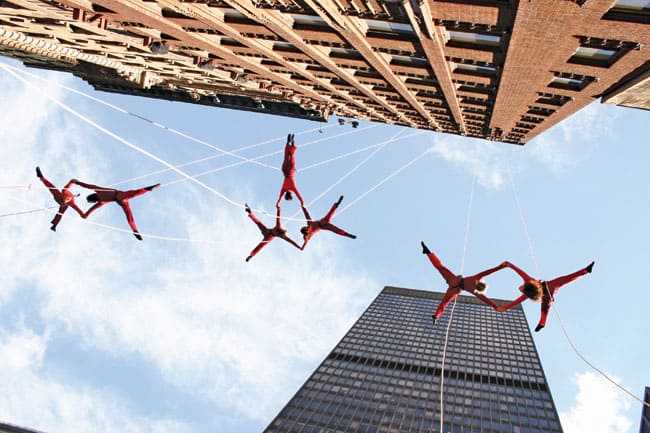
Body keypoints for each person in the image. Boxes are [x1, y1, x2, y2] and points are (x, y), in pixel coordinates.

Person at [422, 241, 508, 324]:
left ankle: (428, 252)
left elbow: (488, 272)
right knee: (444, 302)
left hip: (454, 280)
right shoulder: (476, 292)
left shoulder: (477, 278)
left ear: (480, 283)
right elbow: (486, 300)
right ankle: (436, 316)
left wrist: (500, 267)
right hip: (455, 289)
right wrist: (496, 307)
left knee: (440, 266)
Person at [498, 260, 594, 332]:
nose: (520, 287)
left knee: (545, 308)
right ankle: (585, 271)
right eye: (521, 288)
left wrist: (505, 308)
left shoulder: (527, 292)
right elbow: (520, 273)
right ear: (524, 287)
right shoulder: (528, 282)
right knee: (565, 280)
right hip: (549, 288)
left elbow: (516, 301)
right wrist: (510, 265)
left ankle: (542, 323)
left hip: (548, 292)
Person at [73, 180, 160, 240]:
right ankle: (147, 189)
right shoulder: (98, 191)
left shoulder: (100, 202)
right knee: (133, 195)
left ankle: (135, 229)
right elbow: (88, 186)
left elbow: (89, 211)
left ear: (94, 200)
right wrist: (76, 182)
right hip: (119, 196)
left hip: (120, 200)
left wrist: (85, 215)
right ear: (93, 195)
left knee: (129, 214)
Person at [35, 166, 84, 231]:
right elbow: (78, 210)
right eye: (66, 200)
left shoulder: (68, 198)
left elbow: (78, 210)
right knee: (51, 187)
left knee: (61, 212)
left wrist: (71, 182)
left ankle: (54, 225)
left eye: (67, 200)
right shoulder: (68, 198)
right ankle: (41, 177)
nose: (67, 200)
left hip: (61, 200)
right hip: (58, 198)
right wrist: (83, 214)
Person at [276, 133, 305, 208]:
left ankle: (292, 144)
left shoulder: (293, 188)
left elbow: (300, 197)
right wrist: (278, 204)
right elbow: (280, 197)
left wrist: (302, 203)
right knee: (286, 156)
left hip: (291, 171)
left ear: (291, 194)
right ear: (286, 194)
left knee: (292, 156)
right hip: (285, 170)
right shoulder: (284, 189)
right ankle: (288, 143)